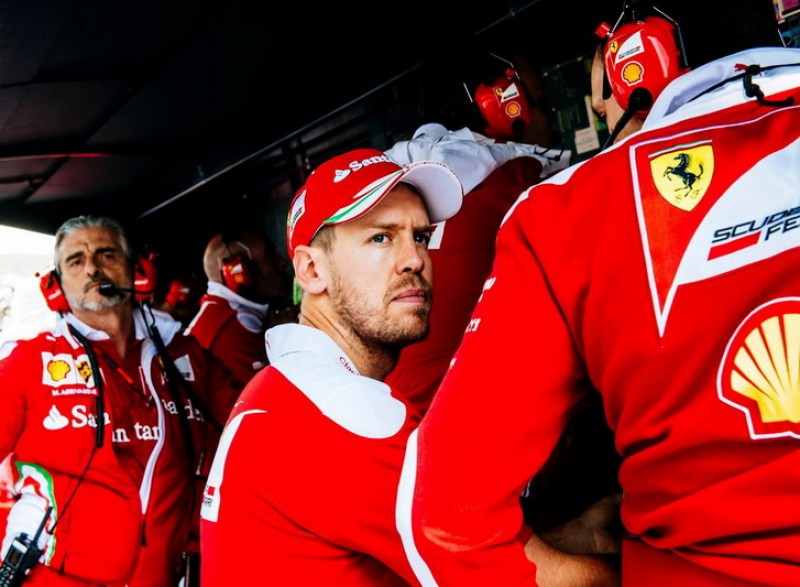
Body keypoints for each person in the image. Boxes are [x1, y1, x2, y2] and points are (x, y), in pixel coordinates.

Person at [400, 1, 800, 585]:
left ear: (638, 70)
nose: (586, 116)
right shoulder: (516, 185)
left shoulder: (561, 207)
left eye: (598, 98)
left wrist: (604, 574)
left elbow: (443, 520)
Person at [199, 148, 618, 586]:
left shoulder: (287, 388)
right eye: (381, 237)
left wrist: (586, 531)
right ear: (311, 270)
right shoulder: (343, 412)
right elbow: (506, 577)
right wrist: (644, 570)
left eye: (420, 236)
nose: (415, 259)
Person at [0, 215, 241, 586]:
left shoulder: (185, 356)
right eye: (75, 261)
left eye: (106, 254)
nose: (92, 269)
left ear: (138, 272)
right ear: (55, 286)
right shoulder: (31, 361)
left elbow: (251, 432)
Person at [184, 227, 295, 386]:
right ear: (240, 271)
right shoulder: (229, 331)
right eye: (270, 258)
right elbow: (276, 392)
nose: (283, 263)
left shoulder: (228, 314)